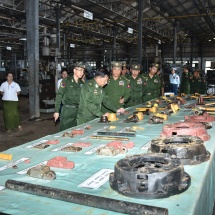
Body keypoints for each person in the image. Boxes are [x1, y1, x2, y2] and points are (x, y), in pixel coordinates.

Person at [54, 62, 85, 131]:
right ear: (74, 70)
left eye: (83, 71)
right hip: (67, 111)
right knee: (64, 131)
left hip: (78, 111)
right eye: (80, 70)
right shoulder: (66, 81)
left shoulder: (82, 83)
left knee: (76, 131)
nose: (82, 72)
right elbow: (59, 95)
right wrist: (57, 111)